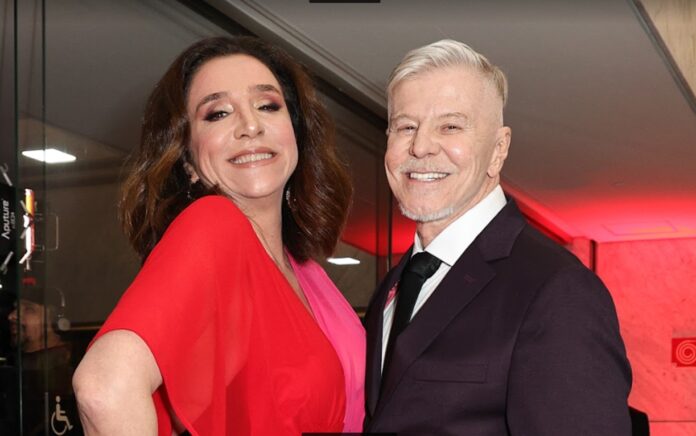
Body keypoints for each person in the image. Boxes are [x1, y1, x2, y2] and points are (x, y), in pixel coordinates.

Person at [72, 36, 364, 435]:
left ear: (295, 133)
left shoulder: (305, 270)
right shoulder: (213, 225)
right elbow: (105, 388)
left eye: (267, 105)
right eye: (218, 113)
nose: (250, 126)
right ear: (188, 160)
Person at [363, 39, 632, 435]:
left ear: (498, 149)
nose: (420, 146)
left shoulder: (556, 290)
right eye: (406, 127)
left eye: (450, 126)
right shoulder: (394, 285)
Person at [6, 281, 81, 435]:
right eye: (15, 308)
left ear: (53, 320)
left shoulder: (74, 369)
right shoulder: (12, 371)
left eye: (28, 309)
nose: (12, 316)